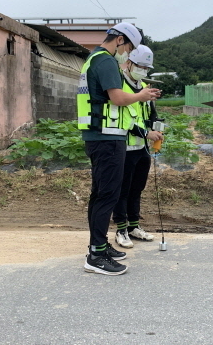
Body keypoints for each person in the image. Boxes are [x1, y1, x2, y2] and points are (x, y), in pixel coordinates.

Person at [77, 23, 161, 275]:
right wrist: (141, 95)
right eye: (130, 48)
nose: (128, 53)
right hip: (107, 138)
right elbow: (118, 98)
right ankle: (96, 255)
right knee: (108, 195)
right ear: (121, 40)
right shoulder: (105, 61)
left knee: (100, 194)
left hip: (100, 136)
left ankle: (99, 246)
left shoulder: (93, 59)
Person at [113, 45, 164, 248]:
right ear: (130, 62)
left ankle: (134, 226)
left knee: (137, 189)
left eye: (146, 67)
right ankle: (121, 230)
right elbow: (123, 119)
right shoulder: (119, 85)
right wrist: (146, 133)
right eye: (140, 66)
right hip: (124, 148)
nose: (142, 70)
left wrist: (157, 129)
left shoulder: (144, 87)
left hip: (141, 149)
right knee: (122, 191)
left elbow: (149, 116)